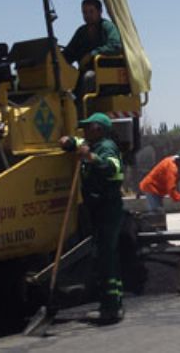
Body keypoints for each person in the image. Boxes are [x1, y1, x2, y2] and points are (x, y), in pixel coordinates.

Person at [59, 112, 125, 324]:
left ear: (99, 129)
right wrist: (69, 142)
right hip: (98, 209)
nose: (84, 130)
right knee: (105, 255)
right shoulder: (90, 143)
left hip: (108, 208)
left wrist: (91, 158)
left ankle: (111, 307)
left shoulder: (106, 147)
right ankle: (113, 302)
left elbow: (114, 169)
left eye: (88, 127)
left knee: (106, 256)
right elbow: (77, 142)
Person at [62, 0, 123, 115]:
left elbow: (115, 46)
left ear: (100, 12)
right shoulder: (81, 32)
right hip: (82, 72)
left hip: (105, 74)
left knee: (88, 78)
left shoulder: (107, 27)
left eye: (91, 11)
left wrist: (92, 54)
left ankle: (82, 115)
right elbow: (70, 52)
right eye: (84, 12)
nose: (87, 15)